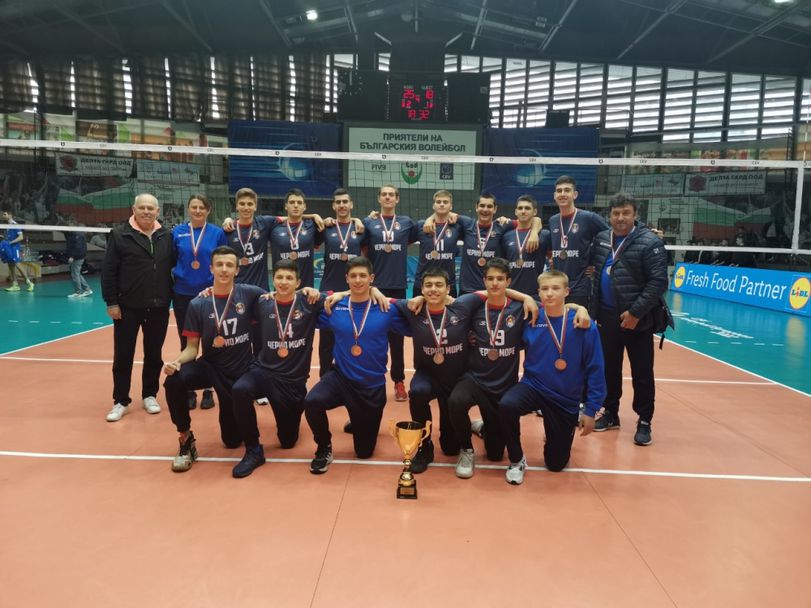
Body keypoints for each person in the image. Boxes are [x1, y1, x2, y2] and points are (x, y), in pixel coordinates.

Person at [395, 267, 542, 473]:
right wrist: (354, 291)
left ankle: (481, 427)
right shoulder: (413, 309)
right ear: (421, 288)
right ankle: (424, 447)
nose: (433, 289)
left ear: (448, 289)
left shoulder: (463, 305)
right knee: (418, 392)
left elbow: (495, 290)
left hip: (455, 378)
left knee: (484, 452)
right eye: (428, 285)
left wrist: (527, 297)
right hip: (430, 376)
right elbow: (380, 298)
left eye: (439, 285)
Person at [303, 256, 410, 474]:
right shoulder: (334, 306)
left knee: (363, 452)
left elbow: (415, 323)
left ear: (372, 278)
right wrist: (299, 292)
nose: (358, 280)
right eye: (353, 276)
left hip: (371, 386)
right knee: (312, 401)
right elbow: (300, 303)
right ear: (346, 279)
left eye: (363, 276)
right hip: (341, 377)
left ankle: (358, 417)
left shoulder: (385, 308)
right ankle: (324, 447)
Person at [498, 270, 606, 485]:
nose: (549, 293)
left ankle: (556, 433)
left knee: (556, 464)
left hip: (564, 397)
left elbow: (596, 368)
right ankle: (517, 460)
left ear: (567, 291)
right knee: (507, 405)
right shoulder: (531, 318)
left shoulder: (583, 323)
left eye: (555, 288)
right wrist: (525, 298)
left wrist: (591, 410)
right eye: (544, 289)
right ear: (538, 292)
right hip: (534, 386)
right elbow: (498, 290)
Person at [162, 246, 261, 472]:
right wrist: (178, 362)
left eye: (229, 265)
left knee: (232, 441)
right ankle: (185, 439)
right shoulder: (198, 303)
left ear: (237, 270)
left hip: (241, 370)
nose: (224, 269)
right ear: (211, 268)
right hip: (211, 367)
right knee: (174, 380)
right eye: (219, 265)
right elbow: (191, 348)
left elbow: (277, 297)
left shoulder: (249, 293)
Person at [229, 259, 325, 478]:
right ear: (273, 280)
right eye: (279, 277)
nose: (283, 282)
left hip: (292, 382)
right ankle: (254, 450)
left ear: (298, 282)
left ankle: (289, 417)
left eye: (289, 278)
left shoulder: (309, 301)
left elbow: (345, 296)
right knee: (240, 389)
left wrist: (373, 290)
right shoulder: (263, 302)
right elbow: (232, 296)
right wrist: (208, 291)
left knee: (287, 441)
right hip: (264, 372)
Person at [590, 193, 669, 446]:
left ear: (635, 214)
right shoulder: (602, 239)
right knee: (609, 369)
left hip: (637, 319)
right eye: (616, 213)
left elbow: (658, 282)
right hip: (606, 316)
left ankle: (644, 420)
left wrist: (636, 312)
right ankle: (610, 412)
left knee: (642, 372)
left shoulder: (650, 242)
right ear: (609, 216)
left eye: (626, 213)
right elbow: (594, 272)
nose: (620, 218)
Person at [101, 194, 174, 422]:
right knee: (123, 355)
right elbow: (108, 270)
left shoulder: (166, 235)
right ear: (133, 209)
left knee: (154, 354)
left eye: (150, 208)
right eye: (142, 207)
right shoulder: (119, 235)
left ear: (157, 211)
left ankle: (150, 395)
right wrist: (111, 302)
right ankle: (120, 400)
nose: (146, 211)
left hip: (158, 306)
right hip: (127, 308)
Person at [171, 194, 228, 410]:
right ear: (188, 209)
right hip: (182, 294)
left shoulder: (217, 233)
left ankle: (208, 389)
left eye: (201, 207)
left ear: (208, 210)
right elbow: (172, 259)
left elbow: (223, 260)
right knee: (187, 342)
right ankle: (189, 388)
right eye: (193, 207)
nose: (197, 211)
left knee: (211, 341)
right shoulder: (177, 232)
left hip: (209, 294)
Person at [363, 184, 419, 401]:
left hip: (397, 287)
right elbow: (363, 249)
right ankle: (370, 379)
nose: (387, 198)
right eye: (384, 195)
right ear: (379, 198)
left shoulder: (406, 223)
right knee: (372, 336)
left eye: (391, 195)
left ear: (397, 199)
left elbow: (418, 235)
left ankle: (398, 382)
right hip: (374, 288)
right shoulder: (368, 223)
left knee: (396, 339)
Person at [318, 188, 366, 377]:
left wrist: (358, 220)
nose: (342, 205)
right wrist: (314, 215)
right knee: (326, 339)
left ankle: (352, 376)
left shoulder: (361, 229)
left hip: (355, 291)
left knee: (354, 335)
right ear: (333, 206)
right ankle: (325, 377)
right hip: (329, 289)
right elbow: (294, 218)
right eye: (338, 202)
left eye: (345, 202)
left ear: (351, 204)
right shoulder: (326, 227)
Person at [548, 175, 609, 307]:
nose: (562, 194)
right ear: (554, 195)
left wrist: (596, 262)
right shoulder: (553, 220)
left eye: (567, 190)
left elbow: (610, 236)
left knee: (578, 319)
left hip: (580, 287)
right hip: (557, 286)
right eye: (559, 191)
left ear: (575, 194)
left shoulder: (589, 218)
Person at [268, 189, 325, 289]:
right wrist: (313, 215)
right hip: (281, 289)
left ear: (304, 206)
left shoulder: (312, 225)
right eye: (292, 202)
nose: (295, 205)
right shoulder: (273, 226)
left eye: (299, 203)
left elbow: (340, 221)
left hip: (306, 290)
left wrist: (355, 220)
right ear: (286, 206)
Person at [412, 190, 463, 298]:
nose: (442, 204)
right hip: (422, 283)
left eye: (445, 202)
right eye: (438, 202)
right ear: (433, 205)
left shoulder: (457, 227)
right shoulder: (421, 225)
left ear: (451, 206)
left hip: (448, 284)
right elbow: (403, 242)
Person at [501, 194, 551, 296]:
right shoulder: (506, 236)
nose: (523, 211)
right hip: (512, 293)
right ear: (516, 212)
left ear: (535, 212)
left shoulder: (544, 235)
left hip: (536, 294)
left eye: (527, 208)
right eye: (520, 208)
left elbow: (553, 259)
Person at [0, 210, 35, 292]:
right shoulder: (8, 226)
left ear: (10, 215)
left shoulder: (15, 225)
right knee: (10, 266)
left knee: (18, 264)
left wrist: (10, 242)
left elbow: (21, 237)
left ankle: (29, 283)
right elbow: (9, 237)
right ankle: (15, 284)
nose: (3, 215)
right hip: (9, 248)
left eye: (5, 214)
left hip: (15, 248)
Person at [64, 225, 92, 298]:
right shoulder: (71, 235)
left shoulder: (77, 235)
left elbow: (77, 247)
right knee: (77, 274)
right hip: (78, 256)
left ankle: (78, 292)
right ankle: (87, 289)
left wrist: (72, 256)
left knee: (75, 274)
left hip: (77, 257)